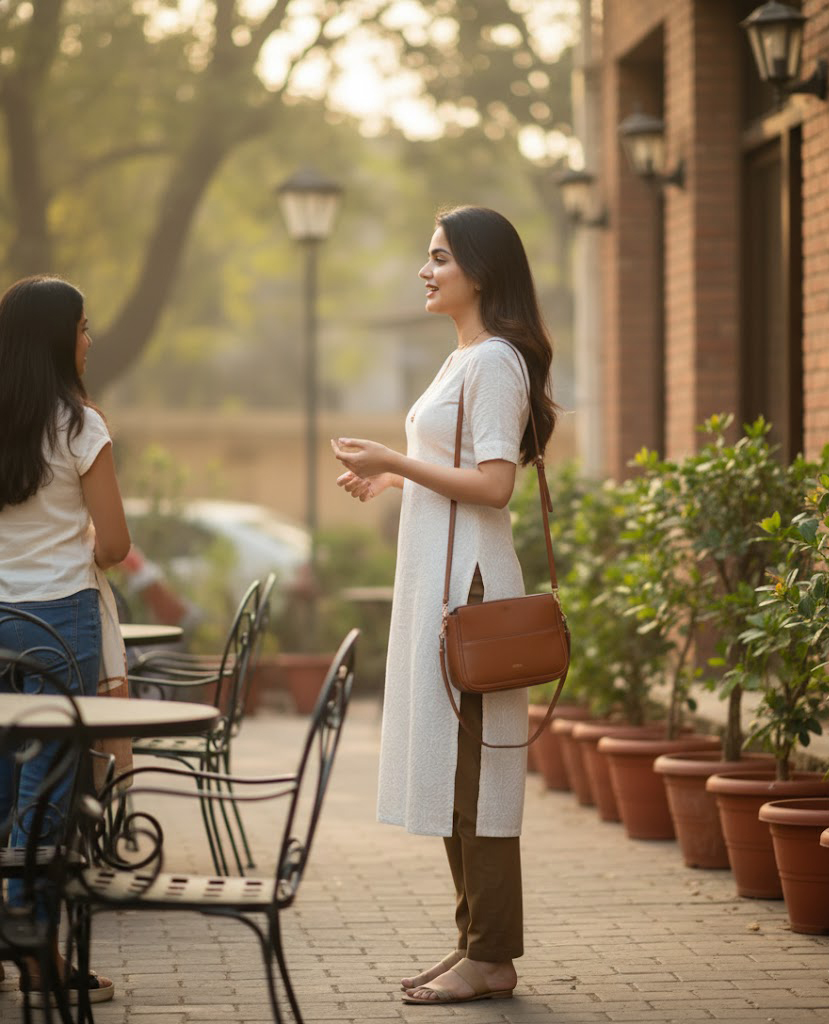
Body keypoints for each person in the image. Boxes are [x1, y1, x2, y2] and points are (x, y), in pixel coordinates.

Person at [331, 206, 557, 1005]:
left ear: (480, 271)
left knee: (473, 778)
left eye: (439, 258)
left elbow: (494, 486)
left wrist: (395, 460)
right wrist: (394, 479)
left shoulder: (492, 361)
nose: (424, 271)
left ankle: (490, 954)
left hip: (468, 589)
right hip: (443, 581)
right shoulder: (463, 357)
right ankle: (473, 943)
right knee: (451, 771)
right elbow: (458, 468)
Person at [0, 275, 131, 1004]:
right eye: (83, 327)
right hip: (60, 620)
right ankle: (38, 953)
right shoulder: (80, 425)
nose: (89, 340)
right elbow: (114, 544)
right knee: (47, 791)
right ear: (58, 338)